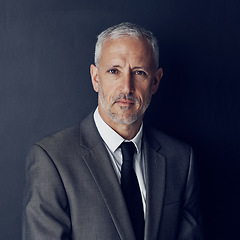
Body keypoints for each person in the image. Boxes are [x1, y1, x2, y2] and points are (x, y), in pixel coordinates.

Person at [22, 22, 203, 240]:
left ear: (155, 81)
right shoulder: (52, 160)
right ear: (96, 78)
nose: (127, 87)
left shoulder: (181, 160)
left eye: (139, 72)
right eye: (114, 71)